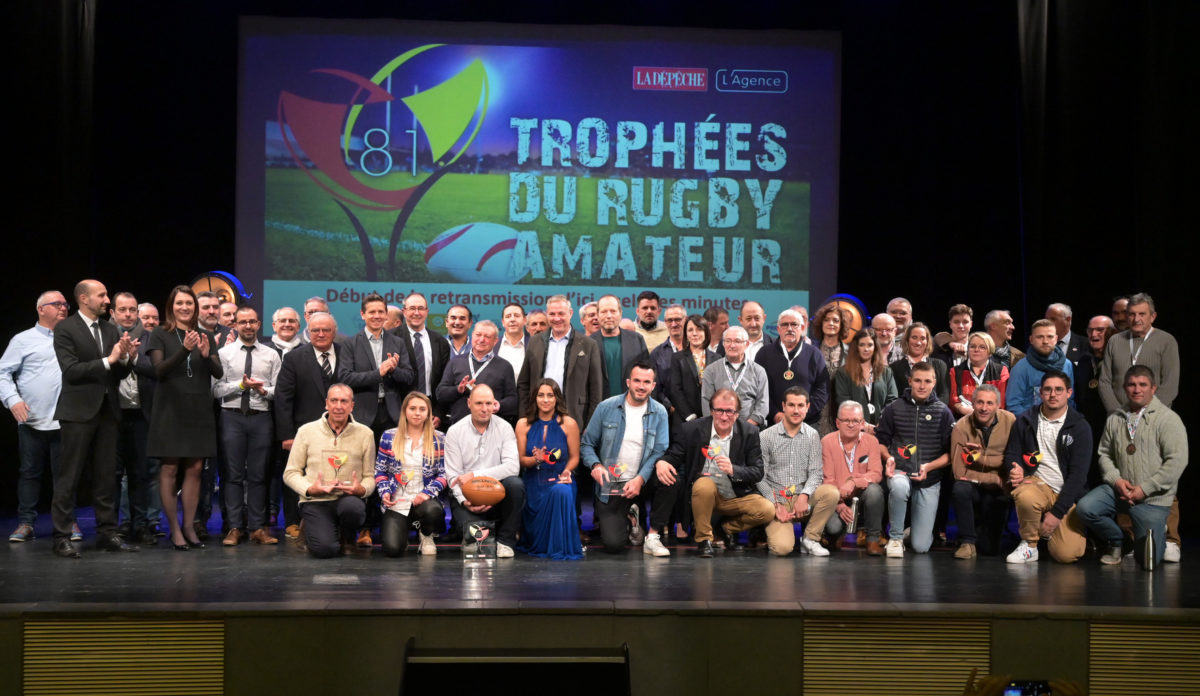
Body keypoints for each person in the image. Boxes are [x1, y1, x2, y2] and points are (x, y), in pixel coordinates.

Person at [50, 280, 140, 557]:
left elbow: (116, 375)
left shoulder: (110, 328)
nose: (106, 300)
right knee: (70, 476)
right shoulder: (66, 328)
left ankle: (107, 533)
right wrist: (110, 359)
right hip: (78, 412)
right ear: (83, 299)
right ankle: (62, 535)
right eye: (101, 295)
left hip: (107, 411)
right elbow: (71, 370)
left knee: (106, 477)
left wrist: (126, 359)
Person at [1077, 365, 1187, 568]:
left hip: (1152, 499)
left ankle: (1156, 531)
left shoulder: (1168, 419)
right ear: (1125, 388)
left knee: (1147, 562)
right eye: (1132, 385)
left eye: (1143, 385)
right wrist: (1116, 480)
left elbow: (1176, 462)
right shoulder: (1115, 418)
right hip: (1120, 491)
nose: (1137, 389)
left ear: (1153, 388)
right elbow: (1104, 455)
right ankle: (1119, 540)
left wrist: (1144, 489)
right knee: (1086, 508)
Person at [145, 285, 224, 551]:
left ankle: (189, 525)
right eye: (180, 303)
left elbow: (218, 372)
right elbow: (159, 371)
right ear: (172, 306)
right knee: (169, 469)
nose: (185, 308)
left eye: (189, 304)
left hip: (198, 410)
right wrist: (184, 350)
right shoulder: (160, 333)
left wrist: (204, 354)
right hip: (170, 410)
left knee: (194, 470)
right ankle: (174, 529)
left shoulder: (205, 335)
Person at [661, 388, 773, 558]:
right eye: (719, 410)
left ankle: (725, 529)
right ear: (711, 411)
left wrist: (734, 469)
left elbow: (757, 472)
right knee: (704, 483)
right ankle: (704, 540)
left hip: (735, 495)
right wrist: (662, 462)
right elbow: (674, 455)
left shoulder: (749, 433)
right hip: (703, 496)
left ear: (737, 413)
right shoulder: (691, 430)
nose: (724, 416)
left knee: (767, 510)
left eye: (729, 411)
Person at [579, 361, 672, 555]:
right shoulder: (606, 407)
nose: (641, 386)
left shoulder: (660, 412)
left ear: (653, 386)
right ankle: (632, 517)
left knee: (671, 478)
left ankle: (653, 536)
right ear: (628, 382)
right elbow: (587, 444)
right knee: (614, 545)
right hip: (612, 484)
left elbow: (659, 451)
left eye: (646, 382)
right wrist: (595, 465)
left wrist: (640, 479)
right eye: (637, 380)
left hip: (642, 481)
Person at [274, 311, 352, 543]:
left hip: (341, 429)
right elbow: (283, 398)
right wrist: (287, 435)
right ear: (308, 332)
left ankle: (332, 522)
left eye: (325, 330)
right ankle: (292, 522)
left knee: (336, 473)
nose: (320, 334)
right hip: (303, 431)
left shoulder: (345, 353)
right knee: (297, 475)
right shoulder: (294, 358)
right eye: (315, 330)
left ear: (334, 332)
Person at [1002, 370, 1091, 564]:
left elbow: (1078, 476)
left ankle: (1049, 533)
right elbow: (1012, 454)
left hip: (1067, 492)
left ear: (1069, 393)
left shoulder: (1080, 426)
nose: (1053, 394)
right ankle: (1030, 544)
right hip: (1038, 483)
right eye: (1048, 390)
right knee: (1025, 495)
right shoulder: (1025, 420)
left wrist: (1057, 512)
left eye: (1059, 390)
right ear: (1040, 393)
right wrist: (1014, 468)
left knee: (1066, 555)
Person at [1, 290, 69, 542]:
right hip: (32, 419)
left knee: (65, 475)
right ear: (41, 309)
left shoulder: (71, 336)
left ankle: (67, 522)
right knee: (29, 472)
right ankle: (26, 523)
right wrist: (12, 399)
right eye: (57, 304)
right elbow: (2, 372)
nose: (63, 308)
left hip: (65, 419)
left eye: (65, 304)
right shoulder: (23, 340)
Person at [211, 306, 281, 546]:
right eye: (243, 322)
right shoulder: (224, 354)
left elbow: (278, 390)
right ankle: (234, 527)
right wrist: (240, 387)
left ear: (259, 325)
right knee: (232, 475)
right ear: (236, 325)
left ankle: (257, 528)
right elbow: (216, 389)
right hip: (231, 416)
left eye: (252, 322)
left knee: (259, 475)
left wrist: (263, 390)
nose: (248, 326)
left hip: (261, 416)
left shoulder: (271, 354)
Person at [284, 384, 375, 558]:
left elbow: (370, 477)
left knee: (354, 509)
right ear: (326, 403)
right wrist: (310, 489)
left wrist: (362, 489)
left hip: (348, 500)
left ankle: (347, 538)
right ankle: (310, 529)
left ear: (352, 405)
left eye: (344, 401)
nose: (338, 406)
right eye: (334, 400)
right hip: (316, 500)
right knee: (326, 550)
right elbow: (290, 473)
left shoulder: (366, 434)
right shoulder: (306, 431)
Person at [876, 361, 954, 557]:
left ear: (934, 382)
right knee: (899, 487)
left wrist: (929, 467)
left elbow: (951, 454)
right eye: (917, 380)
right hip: (900, 470)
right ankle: (895, 538)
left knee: (920, 547)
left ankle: (912, 533)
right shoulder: (894, 408)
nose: (922, 385)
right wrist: (888, 458)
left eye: (927, 381)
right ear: (909, 381)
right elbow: (881, 442)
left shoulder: (943, 411)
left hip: (930, 478)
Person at [443, 384, 525, 557]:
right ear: (469, 403)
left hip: (496, 495)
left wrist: (475, 475)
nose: (484, 409)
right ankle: (477, 528)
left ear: (494, 404)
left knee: (515, 484)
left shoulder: (504, 428)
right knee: (478, 548)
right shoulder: (454, 432)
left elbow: (513, 467)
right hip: (467, 497)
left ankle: (506, 541)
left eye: (489, 403)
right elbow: (453, 477)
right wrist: (466, 501)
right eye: (479, 403)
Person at [757, 387, 839, 556]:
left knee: (831, 492)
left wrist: (804, 495)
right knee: (782, 549)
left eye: (800, 405)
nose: (796, 410)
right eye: (791, 405)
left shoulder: (812, 435)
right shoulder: (766, 436)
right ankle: (779, 531)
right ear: (783, 406)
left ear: (807, 407)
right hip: (778, 500)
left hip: (803, 499)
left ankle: (810, 539)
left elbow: (816, 472)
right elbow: (759, 477)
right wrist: (775, 504)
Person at [516, 379, 583, 559]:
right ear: (534, 399)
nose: (545, 400)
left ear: (557, 399)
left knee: (562, 491)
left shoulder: (569, 423)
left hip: (561, 478)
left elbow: (575, 457)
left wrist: (567, 472)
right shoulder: (523, 424)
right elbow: (521, 460)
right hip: (533, 481)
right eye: (541, 395)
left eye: (550, 395)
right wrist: (535, 459)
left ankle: (560, 547)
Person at [374, 392, 446, 557]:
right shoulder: (389, 436)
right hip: (397, 501)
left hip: (424, 500)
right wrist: (384, 491)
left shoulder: (440, 439)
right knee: (392, 550)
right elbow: (380, 470)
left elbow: (444, 474)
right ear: (404, 411)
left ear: (428, 413)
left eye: (422, 409)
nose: (417, 413)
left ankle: (426, 534)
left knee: (434, 511)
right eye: (412, 408)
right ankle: (403, 532)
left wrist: (427, 494)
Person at [949, 385, 1014, 558]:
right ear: (973, 403)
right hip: (974, 486)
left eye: (989, 403)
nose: (984, 408)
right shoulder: (961, 427)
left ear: (998, 405)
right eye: (980, 402)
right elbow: (958, 472)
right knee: (960, 488)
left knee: (990, 550)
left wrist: (983, 460)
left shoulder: (1011, 421)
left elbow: (1013, 458)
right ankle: (967, 542)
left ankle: (982, 533)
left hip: (1000, 490)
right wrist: (993, 478)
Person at [517, 295, 602, 429]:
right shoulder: (535, 342)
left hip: (575, 418)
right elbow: (524, 383)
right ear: (547, 315)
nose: (557, 318)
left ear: (570, 313)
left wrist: (590, 426)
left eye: (561, 313)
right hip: (538, 419)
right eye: (552, 314)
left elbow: (596, 390)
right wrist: (525, 418)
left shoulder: (589, 345)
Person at [820, 400, 886, 555]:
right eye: (846, 420)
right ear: (837, 422)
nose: (850, 424)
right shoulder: (827, 442)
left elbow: (876, 473)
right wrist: (840, 505)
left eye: (855, 421)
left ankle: (872, 540)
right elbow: (827, 480)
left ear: (862, 423)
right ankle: (835, 535)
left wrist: (854, 481)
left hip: (861, 493)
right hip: (836, 495)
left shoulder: (872, 441)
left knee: (875, 491)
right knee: (833, 527)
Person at [1099, 292, 1178, 413]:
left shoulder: (1166, 341)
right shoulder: (1114, 341)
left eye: (1142, 314)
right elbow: (1104, 381)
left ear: (1152, 316)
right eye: (1131, 314)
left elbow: (1170, 385)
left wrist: (1145, 413)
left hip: (1154, 419)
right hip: (1120, 418)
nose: (1136, 319)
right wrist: (1117, 413)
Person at [436, 320, 518, 426]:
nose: (481, 340)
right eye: (478, 335)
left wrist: (499, 405)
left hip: (492, 427)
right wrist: (458, 389)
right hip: (459, 427)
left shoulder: (505, 366)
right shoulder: (455, 362)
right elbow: (440, 394)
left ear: (495, 341)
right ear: (472, 336)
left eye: (487, 337)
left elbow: (513, 400)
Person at [756, 308, 828, 428]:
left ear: (802, 328)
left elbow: (823, 390)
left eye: (794, 324)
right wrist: (774, 413)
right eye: (785, 325)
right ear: (778, 329)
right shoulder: (764, 354)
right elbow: (758, 389)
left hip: (807, 424)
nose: (789, 329)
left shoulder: (814, 354)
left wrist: (802, 413)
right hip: (773, 424)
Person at [830, 327, 897, 433]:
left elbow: (892, 401)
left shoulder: (886, 372)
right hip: (854, 430)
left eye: (870, 345)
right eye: (862, 345)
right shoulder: (843, 373)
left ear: (875, 347)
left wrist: (881, 423)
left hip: (882, 431)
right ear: (856, 347)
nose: (866, 349)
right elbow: (843, 402)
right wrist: (864, 425)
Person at [391, 292, 451, 409]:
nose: (417, 313)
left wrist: (439, 411)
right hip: (399, 408)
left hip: (430, 407)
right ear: (404, 312)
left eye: (421, 308)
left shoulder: (440, 342)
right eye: (412, 308)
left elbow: (444, 380)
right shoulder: (391, 338)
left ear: (427, 312)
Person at [701, 326, 768, 428]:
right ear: (723, 343)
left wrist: (747, 427)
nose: (732, 345)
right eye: (728, 341)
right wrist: (719, 426)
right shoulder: (711, 370)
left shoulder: (759, 371)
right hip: (719, 429)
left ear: (747, 344)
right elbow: (706, 402)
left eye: (737, 341)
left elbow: (763, 404)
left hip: (751, 429)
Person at [1006, 319, 1075, 415]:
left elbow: (1070, 400)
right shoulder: (1020, 368)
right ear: (1031, 340)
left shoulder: (1066, 365)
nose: (1045, 341)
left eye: (1050, 337)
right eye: (1040, 337)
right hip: (1030, 426)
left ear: (1056, 339)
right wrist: (1038, 423)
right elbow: (1013, 406)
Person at [590, 294, 649, 399]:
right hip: (599, 407)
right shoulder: (588, 343)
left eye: (613, 311)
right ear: (598, 315)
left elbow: (648, 375)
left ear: (620, 314)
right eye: (604, 312)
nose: (609, 316)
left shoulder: (637, 340)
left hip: (632, 405)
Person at [667, 314, 719, 430]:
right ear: (686, 334)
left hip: (712, 419)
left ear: (706, 331)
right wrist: (690, 416)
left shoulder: (717, 358)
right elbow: (675, 390)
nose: (694, 333)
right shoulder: (677, 358)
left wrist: (713, 415)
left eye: (699, 329)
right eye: (690, 330)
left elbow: (719, 390)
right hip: (685, 419)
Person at [812, 302, 853, 436]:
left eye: (836, 320)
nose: (831, 323)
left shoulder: (851, 353)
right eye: (826, 320)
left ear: (842, 325)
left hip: (840, 413)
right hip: (814, 414)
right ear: (820, 323)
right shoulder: (811, 351)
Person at [947, 332, 1010, 417]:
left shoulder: (1001, 371)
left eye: (982, 347)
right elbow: (953, 401)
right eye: (972, 346)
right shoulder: (955, 371)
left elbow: (1001, 403)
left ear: (990, 352)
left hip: (993, 419)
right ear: (968, 349)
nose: (976, 350)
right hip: (964, 418)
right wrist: (963, 409)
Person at [889, 322, 950, 405]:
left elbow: (944, 395)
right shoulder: (894, 368)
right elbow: (895, 397)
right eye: (914, 338)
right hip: (905, 415)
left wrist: (930, 411)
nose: (918, 343)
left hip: (934, 415)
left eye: (922, 338)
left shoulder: (940, 365)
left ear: (927, 341)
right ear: (907, 340)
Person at [648, 303, 686, 409]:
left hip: (696, 412)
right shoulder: (656, 354)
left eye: (678, 319)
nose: (674, 324)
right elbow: (655, 388)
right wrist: (670, 407)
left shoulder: (696, 349)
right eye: (669, 320)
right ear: (665, 322)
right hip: (669, 414)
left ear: (686, 320)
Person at [1046, 302, 1087, 371]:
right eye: (1047, 319)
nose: (1048, 323)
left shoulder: (1084, 344)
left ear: (1068, 319)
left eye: (1053, 319)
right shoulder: (1040, 344)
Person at [497, 302, 528, 381]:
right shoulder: (493, 345)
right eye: (508, 316)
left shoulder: (534, 345)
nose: (512, 319)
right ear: (503, 322)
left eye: (517, 316)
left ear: (525, 320)